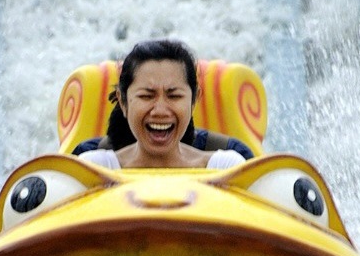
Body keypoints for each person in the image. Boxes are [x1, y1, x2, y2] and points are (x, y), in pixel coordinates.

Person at [78, 39, 248, 169]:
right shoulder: (92, 168)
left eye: (174, 96)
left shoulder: (227, 167)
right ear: (123, 101)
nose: (160, 110)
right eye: (146, 96)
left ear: (194, 100)